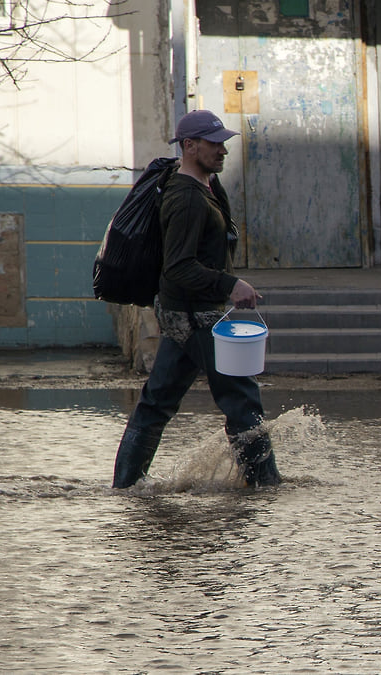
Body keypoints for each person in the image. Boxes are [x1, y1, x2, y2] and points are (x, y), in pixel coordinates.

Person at [111, 109, 280, 489]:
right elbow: (178, 267)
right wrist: (229, 285)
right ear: (189, 146)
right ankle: (265, 488)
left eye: (223, 143)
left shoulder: (204, 185)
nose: (222, 150)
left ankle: (125, 488)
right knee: (241, 400)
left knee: (157, 403)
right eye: (213, 143)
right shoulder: (186, 197)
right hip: (195, 315)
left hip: (185, 312)